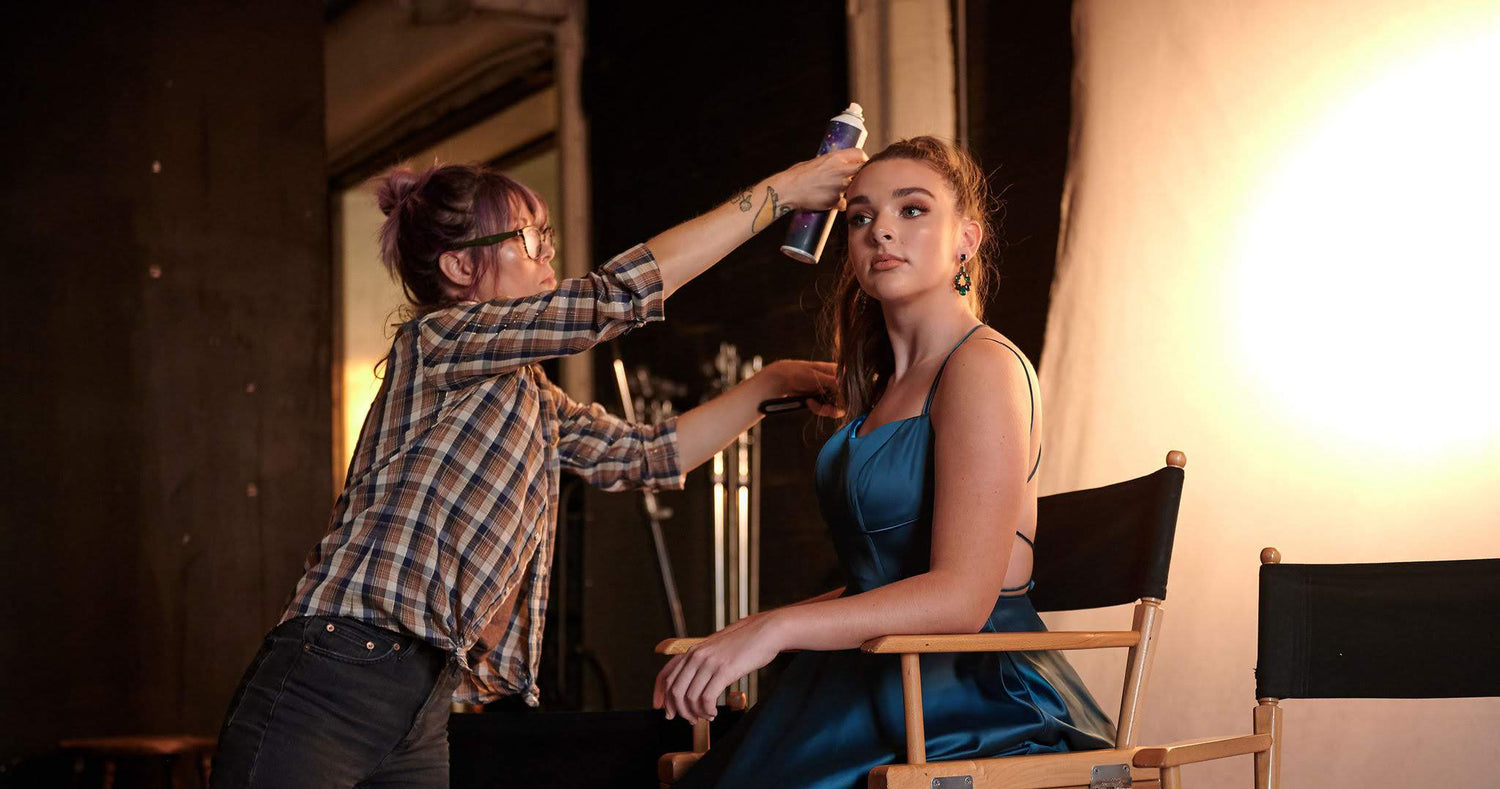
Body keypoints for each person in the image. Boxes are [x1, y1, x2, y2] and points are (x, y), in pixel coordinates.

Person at [209, 147, 866, 788]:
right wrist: (784, 191)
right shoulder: (439, 340)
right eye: (530, 240)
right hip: (336, 666)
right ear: (460, 266)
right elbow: (614, 297)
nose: (548, 255)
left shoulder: (531, 396)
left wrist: (773, 382)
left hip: (422, 691)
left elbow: (645, 455)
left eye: (547, 238)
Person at [655, 137, 1114, 788]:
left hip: (967, 689)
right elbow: (880, 578)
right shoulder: (881, 389)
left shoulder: (981, 366)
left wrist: (775, 629)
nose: (881, 231)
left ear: (966, 240)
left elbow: (961, 598)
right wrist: (750, 630)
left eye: (912, 209)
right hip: (875, 673)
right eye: (861, 217)